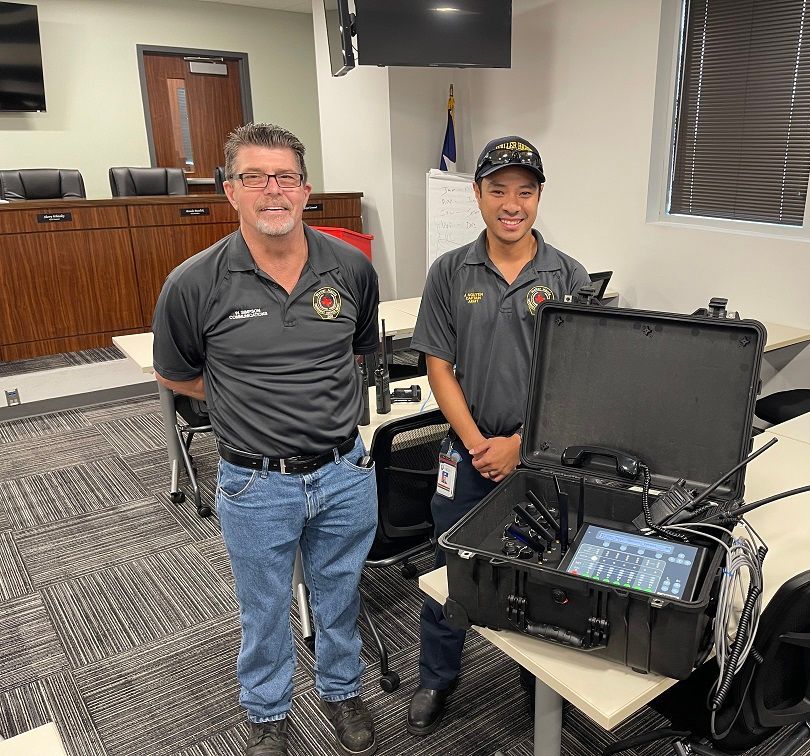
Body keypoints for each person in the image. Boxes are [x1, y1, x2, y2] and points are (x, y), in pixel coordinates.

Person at [152, 123, 380, 756]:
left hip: (343, 474)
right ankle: (268, 710)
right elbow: (174, 373)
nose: (271, 191)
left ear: (306, 191)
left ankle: (342, 692)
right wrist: (240, 397)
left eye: (284, 177)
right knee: (265, 607)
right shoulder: (193, 283)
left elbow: (359, 352)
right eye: (254, 177)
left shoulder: (352, 268)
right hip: (255, 482)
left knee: (339, 596)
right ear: (231, 191)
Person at [406, 135, 590, 736]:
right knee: (451, 570)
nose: (511, 204)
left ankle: (537, 678)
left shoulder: (569, 276)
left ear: (538, 197)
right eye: (498, 191)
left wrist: (522, 446)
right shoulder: (450, 271)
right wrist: (480, 445)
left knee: (542, 570)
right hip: (468, 452)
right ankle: (439, 674)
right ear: (478, 195)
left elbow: (577, 379)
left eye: (525, 192)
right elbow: (438, 363)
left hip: (539, 457)